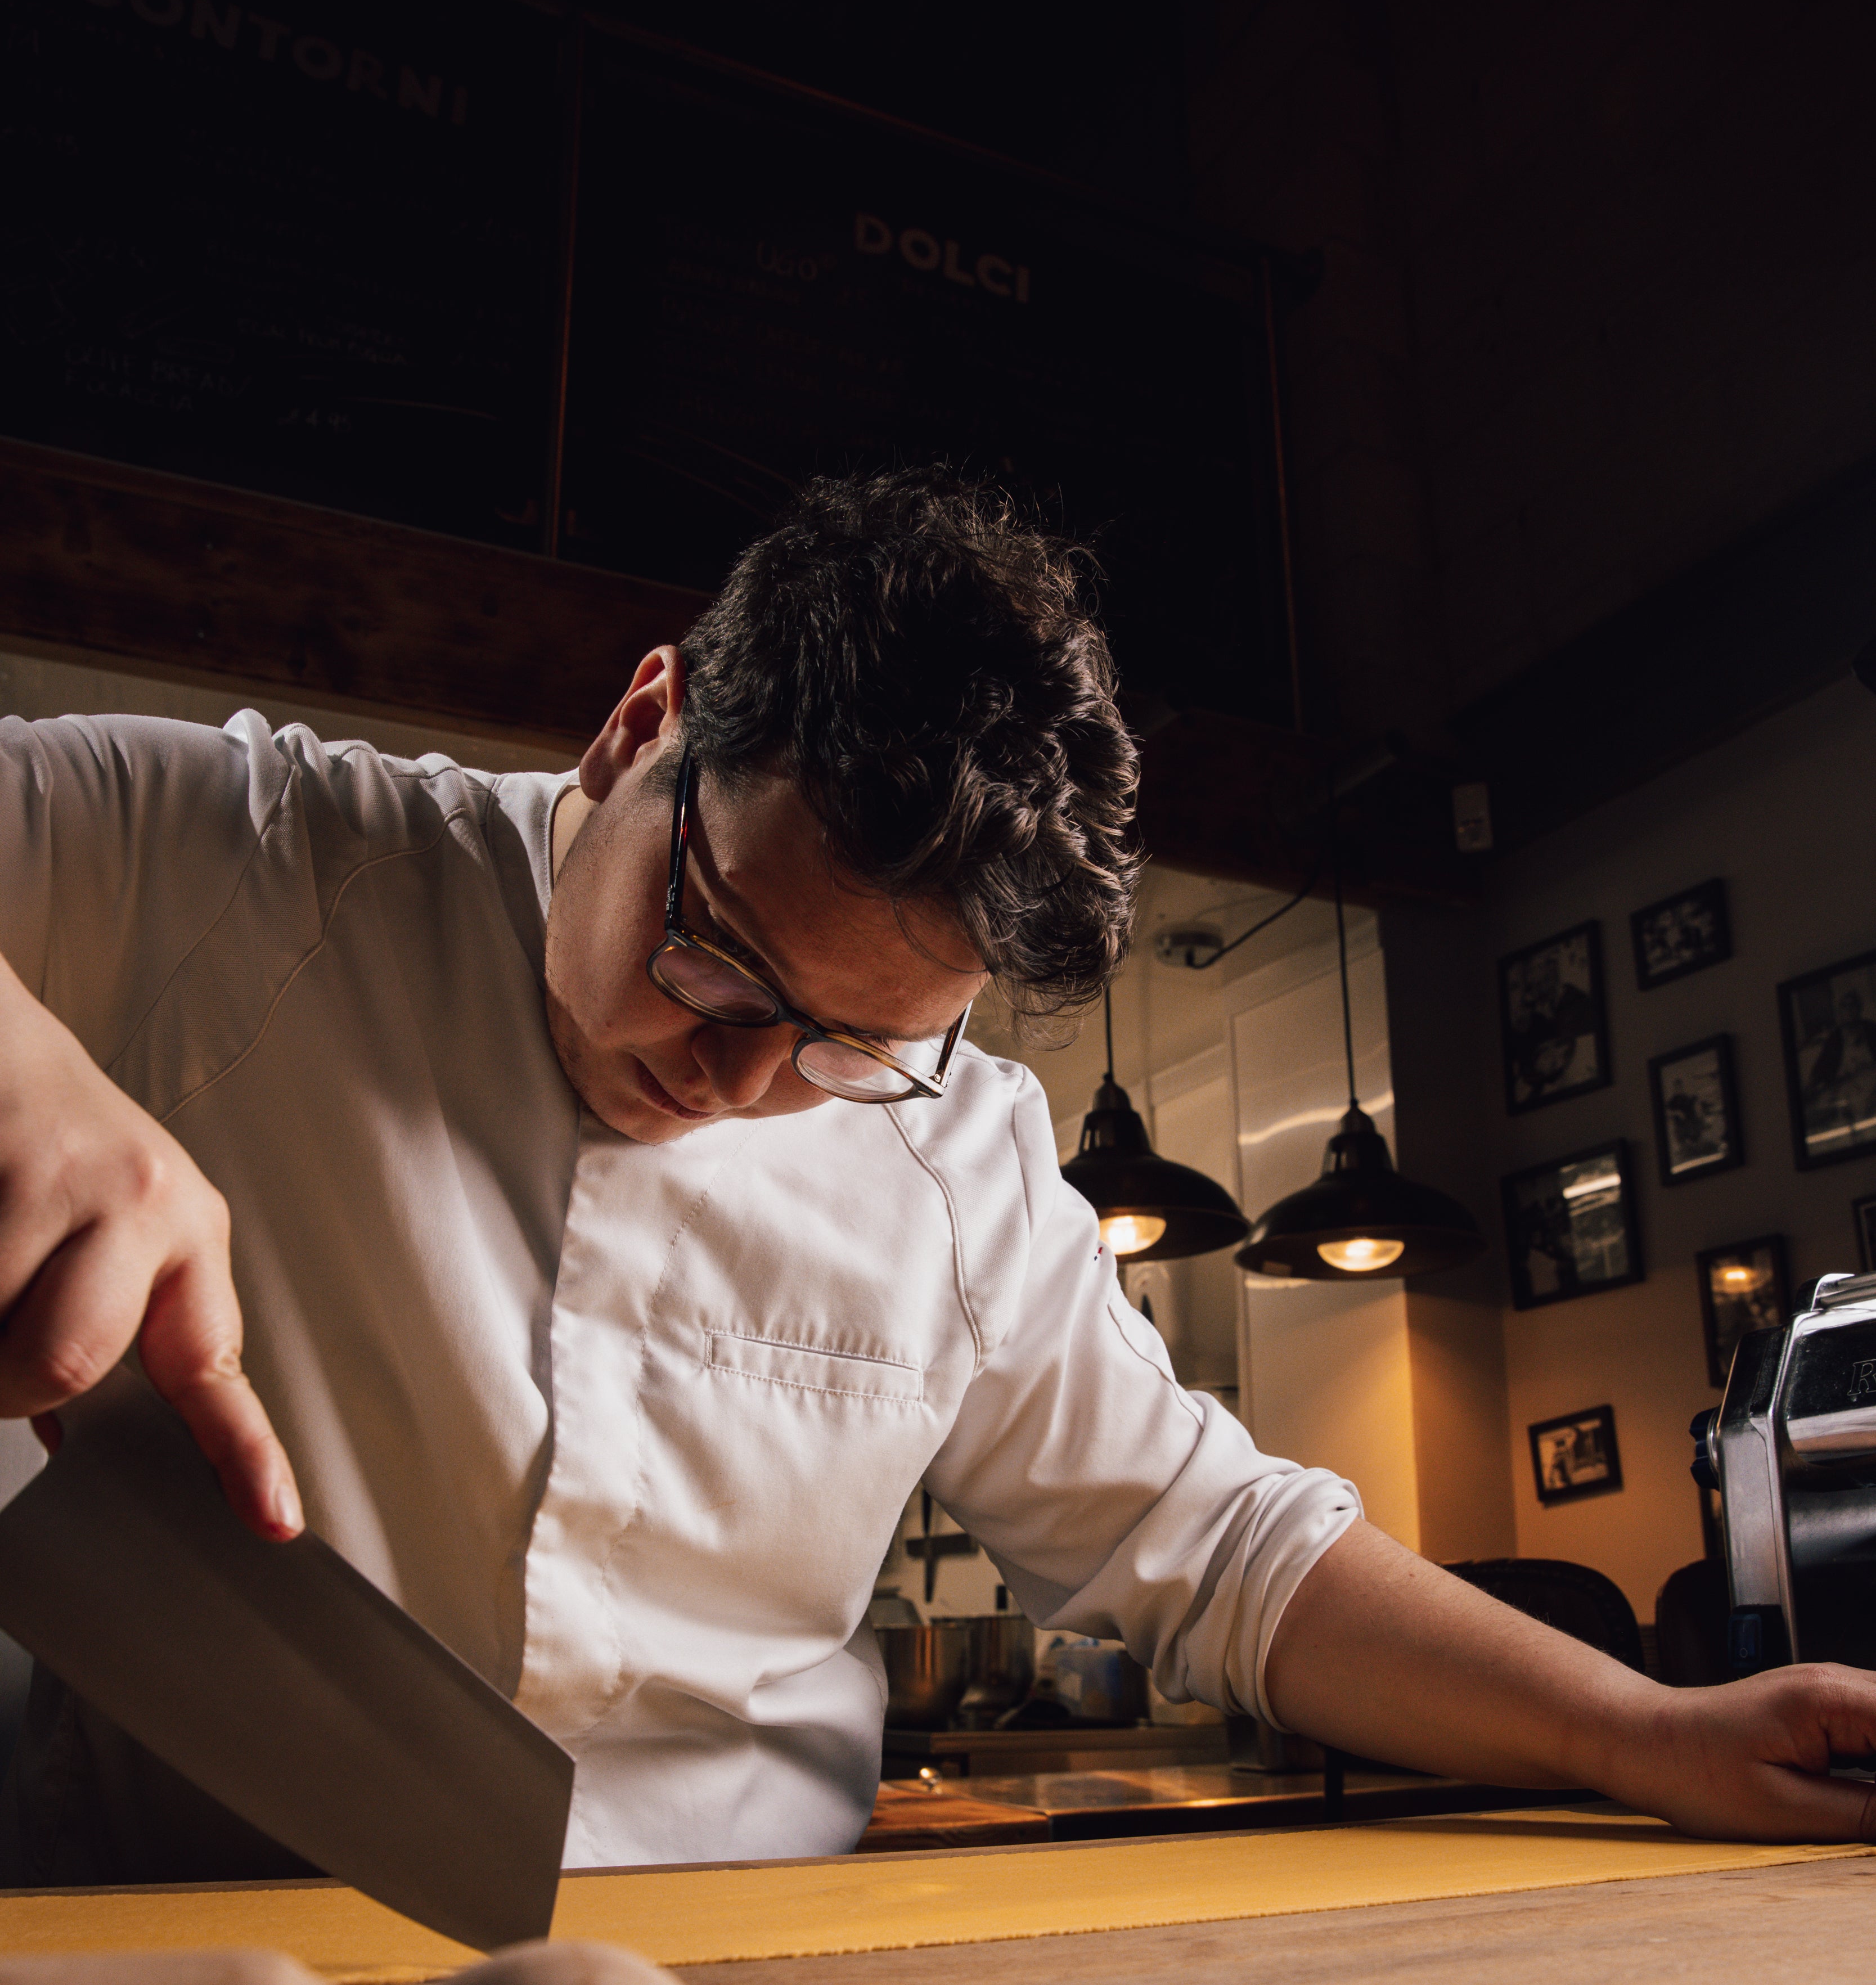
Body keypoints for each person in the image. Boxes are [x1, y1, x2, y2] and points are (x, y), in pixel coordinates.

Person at [2, 472, 1873, 1883]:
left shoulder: (959, 1145)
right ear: (642, 725)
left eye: (851, 1042)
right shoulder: (233, 857)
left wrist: (1643, 1736)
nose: (741, 1077)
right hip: (177, 1926)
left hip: (769, 1973)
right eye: (716, 948)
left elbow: (1222, 1548)